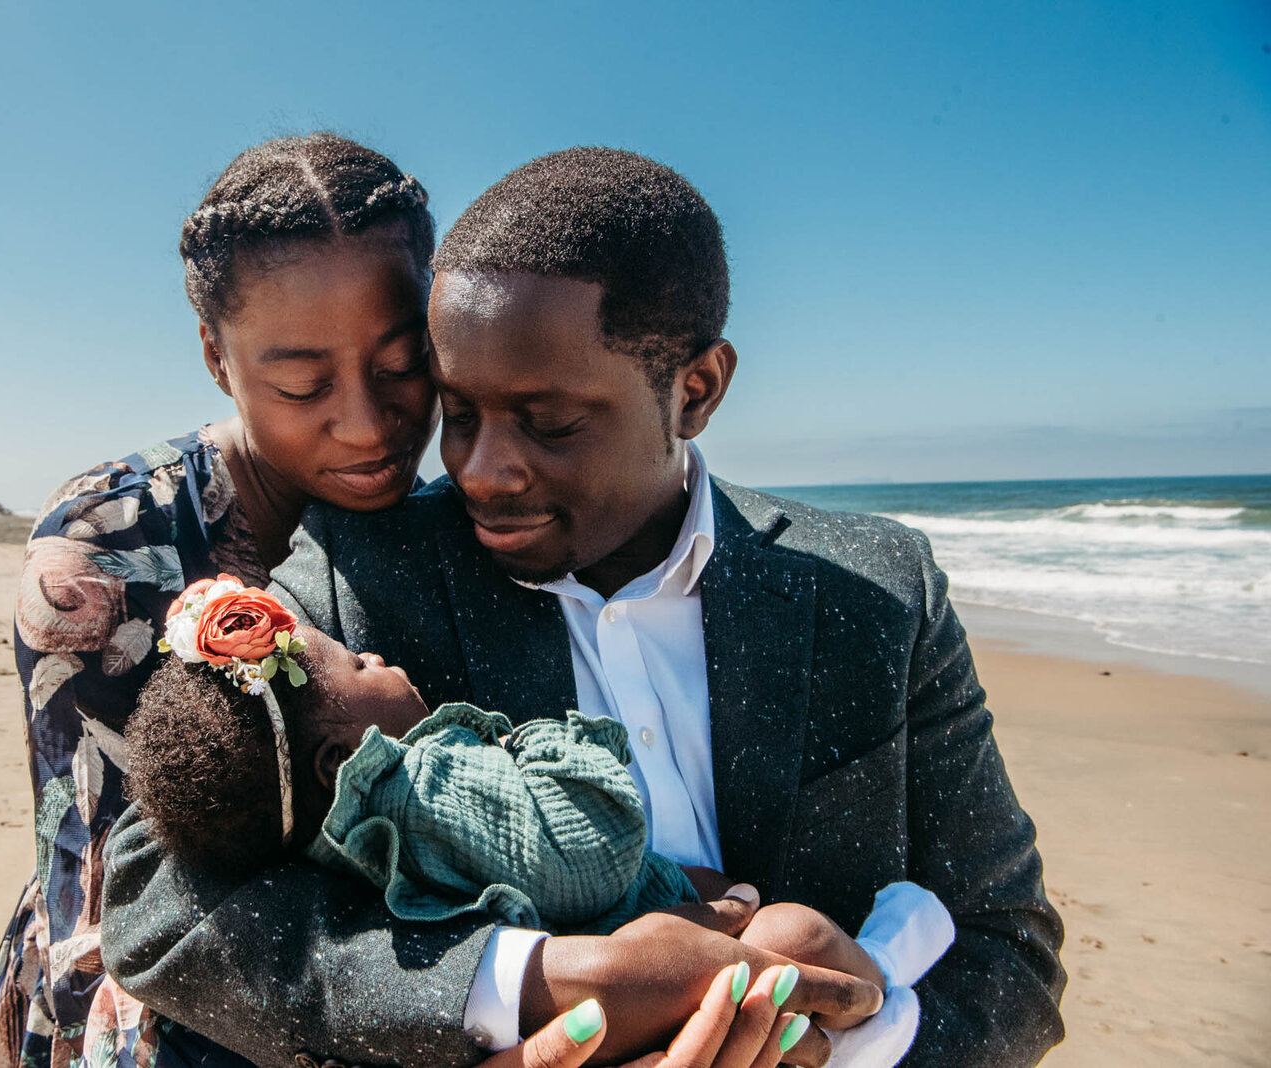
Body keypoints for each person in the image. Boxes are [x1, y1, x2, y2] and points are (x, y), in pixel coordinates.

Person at [101, 148, 1067, 1067]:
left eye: (550, 422)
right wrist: (541, 983)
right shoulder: (364, 571)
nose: (480, 471)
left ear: (696, 389)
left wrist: (858, 1045)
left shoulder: (879, 590)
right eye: (462, 413)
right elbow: (155, 904)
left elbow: (1009, 953)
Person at [0, 132, 443, 1068]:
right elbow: (102, 903)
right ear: (216, 358)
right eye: (303, 383)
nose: (368, 422)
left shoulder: (456, 524)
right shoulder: (101, 557)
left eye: (401, 365)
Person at [124, 574, 945, 1039]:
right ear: (343, 762)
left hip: (661, 947)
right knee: (796, 939)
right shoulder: (430, 779)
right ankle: (886, 1007)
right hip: (648, 969)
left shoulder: (321, 826)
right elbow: (595, 841)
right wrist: (544, 744)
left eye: (553, 418)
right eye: (357, 662)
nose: (372, 650)